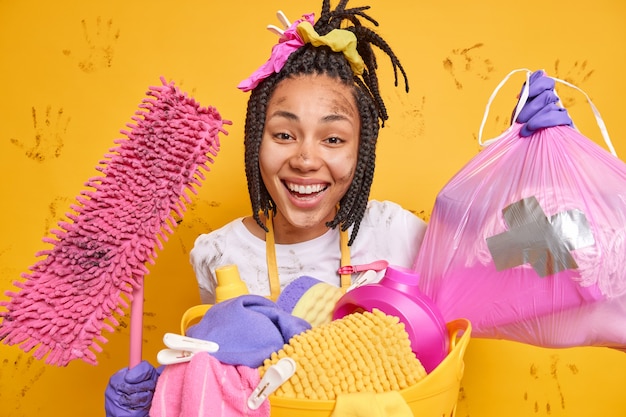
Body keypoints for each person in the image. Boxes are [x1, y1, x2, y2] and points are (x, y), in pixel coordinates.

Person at [104, 1, 573, 416]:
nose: (306, 159)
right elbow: (224, 389)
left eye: (333, 139)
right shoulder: (219, 253)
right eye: (284, 134)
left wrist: (541, 162)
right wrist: (166, 398)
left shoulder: (396, 235)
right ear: (256, 142)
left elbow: (546, 258)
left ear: (360, 151)